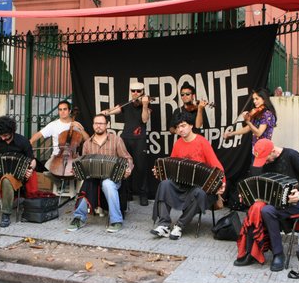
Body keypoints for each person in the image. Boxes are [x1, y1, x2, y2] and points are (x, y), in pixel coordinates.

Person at [233, 139, 299, 272]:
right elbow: (258, 185)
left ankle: (278, 254)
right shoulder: (266, 161)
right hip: (271, 203)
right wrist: (246, 193)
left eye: (265, 159)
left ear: (273, 151)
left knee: (265, 210)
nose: (264, 163)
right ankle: (251, 251)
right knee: (256, 208)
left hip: (293, 203)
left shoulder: (291, 156)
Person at [150, 112, 225, 240]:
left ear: (191, 126)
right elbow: (171, 166)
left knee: (200, 193)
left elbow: (218, 167)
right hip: (182, 185)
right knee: (164, 184)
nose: (180, 129)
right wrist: (160, 172)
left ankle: (180, 226)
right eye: (178, 127)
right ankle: (164, 224)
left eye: (183, 126)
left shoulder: (202, 143)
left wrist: (222, 184)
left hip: (199, 187)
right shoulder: (178, 143)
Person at [66, 114, 133, 233]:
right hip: (94, 177)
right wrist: (77, 170)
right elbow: (83, 163)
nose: (98, 126)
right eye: (96, 123)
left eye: (101, 123)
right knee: (88, 182)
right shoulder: (87, 144)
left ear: (106, 125)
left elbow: (127, 158)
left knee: (107, 184)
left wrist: (128, 169)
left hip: (112, 177)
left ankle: (116, 220)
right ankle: (79, 218)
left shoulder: (116, 140)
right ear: (93, 125)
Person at [101, 82, 151, 206]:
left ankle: (143, 194)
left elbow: (144, 119)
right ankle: (127, 193)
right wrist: (105, 112)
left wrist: (144, 105)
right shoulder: (126, 104)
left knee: (140, 167)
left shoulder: (146, 105)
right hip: (125, 138)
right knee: (125, 166)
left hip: (139, 139)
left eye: (138, 91)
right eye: (133, 91)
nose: (135, 93)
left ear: (143, 92)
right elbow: (113, 110)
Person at [29, 100, 90, 173]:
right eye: (60, 110)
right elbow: (39, 134)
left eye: (65, 109)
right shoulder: (53, 125)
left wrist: (80, 129)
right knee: (44, 169)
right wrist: (30, 142)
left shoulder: (76, 124)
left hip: (72, 158)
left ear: (69, 111)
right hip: (56, 157)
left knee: (80, 172)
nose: (62, 112)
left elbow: (88, 140)